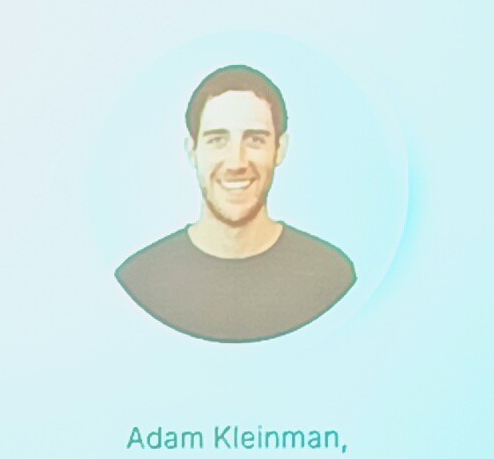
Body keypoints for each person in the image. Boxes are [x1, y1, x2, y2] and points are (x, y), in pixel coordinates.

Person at [116, 64, 352, 342]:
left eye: (255, 139)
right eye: (217, 140)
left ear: (280, 149)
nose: (236, 162)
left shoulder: (331, 276)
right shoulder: (140, 281)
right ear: (192, 152)